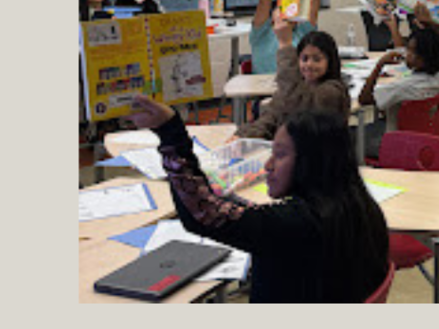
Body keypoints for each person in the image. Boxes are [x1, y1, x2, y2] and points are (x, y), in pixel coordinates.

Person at [129, 98, 389, 303]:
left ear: (311, 162)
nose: (268, 165)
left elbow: (203, 214)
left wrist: (170, 132)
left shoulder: (296, 224)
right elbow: (263, 220)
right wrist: (228, 198)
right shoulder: (356, 203)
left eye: (280, 154)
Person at [357, 2, 439, 159]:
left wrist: (379, 65)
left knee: (344, 135)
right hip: (426, 141)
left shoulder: (402, 87)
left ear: (423, 58)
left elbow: (363, 99)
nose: (407, 54)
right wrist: (428, 24)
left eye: (412, 52)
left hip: (396, 146)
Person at [238, 26, 349, 140]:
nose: (309, 64)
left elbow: (298, 105)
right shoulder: (295, 87)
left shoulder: (333, 92)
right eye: (304, 59)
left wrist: (285, 44)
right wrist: (246, 135)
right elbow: (271, 116)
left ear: (330, 62)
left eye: (317, 59)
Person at [250, 0, 321, 74]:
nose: (286, 13)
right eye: (281, 8)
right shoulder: (261, 34)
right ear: (272, 16)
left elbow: (314, 3)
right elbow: (264, 1)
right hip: (263, 85)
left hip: (294, 84)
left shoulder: (302, 34)